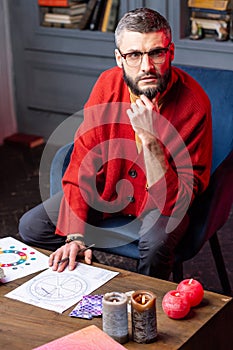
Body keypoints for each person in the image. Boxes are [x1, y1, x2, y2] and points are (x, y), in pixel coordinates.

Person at [19, 8, 212, 280]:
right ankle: (90, 275)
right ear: (119, 59)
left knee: (156, 243)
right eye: (134, 55)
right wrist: (75, 235)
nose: (146, 67)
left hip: (163, 203)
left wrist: (150, 140)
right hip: (107, 189)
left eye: (156, 52)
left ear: (170, 52)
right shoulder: (106, 85)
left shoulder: (195, 105)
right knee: (32, 226)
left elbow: (173, 203)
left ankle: (146, 303)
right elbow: (81, 159)